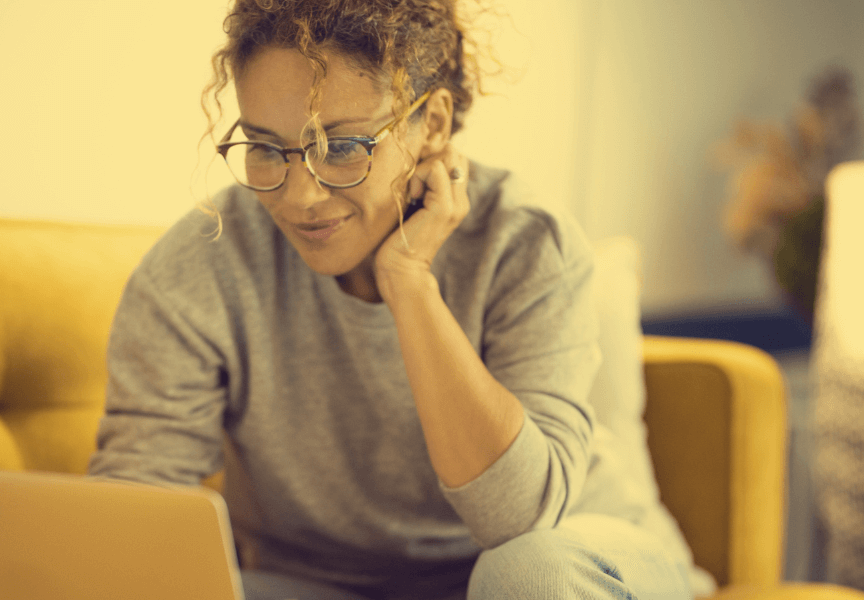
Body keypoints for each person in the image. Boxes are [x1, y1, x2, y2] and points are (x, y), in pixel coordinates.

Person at [89, 0, 695, 598]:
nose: (300, 196)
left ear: (431, 124)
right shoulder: (204, 259)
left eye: (345, 146)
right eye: (267, 148)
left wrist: (408, 282)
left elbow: (520, 519)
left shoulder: (525, 241)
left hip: (562, 554)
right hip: (319, 584)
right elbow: (139, 508)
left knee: (531, 576)